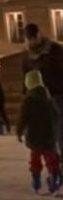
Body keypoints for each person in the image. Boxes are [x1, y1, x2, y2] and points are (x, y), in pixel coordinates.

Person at [16, 69, 61, 194]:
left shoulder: (28, 100)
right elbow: (57, 116)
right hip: (49, 136)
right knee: (51, 159)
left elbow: (23, 118)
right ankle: (54, 178)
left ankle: (36, 180)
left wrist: (19, 132)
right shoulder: (49, 99)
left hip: (34, 137)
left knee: (35, 160)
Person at [22, 24, 63, 152]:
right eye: (29, 39)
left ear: (39, 35)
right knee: (46, 127)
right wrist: (26, 93)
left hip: (58, 93)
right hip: (39, 96)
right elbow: (25, 76)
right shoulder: (26, 56)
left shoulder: (55, 50)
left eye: (33, 38)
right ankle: (53, 157)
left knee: (60, 124)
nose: (32, 41)